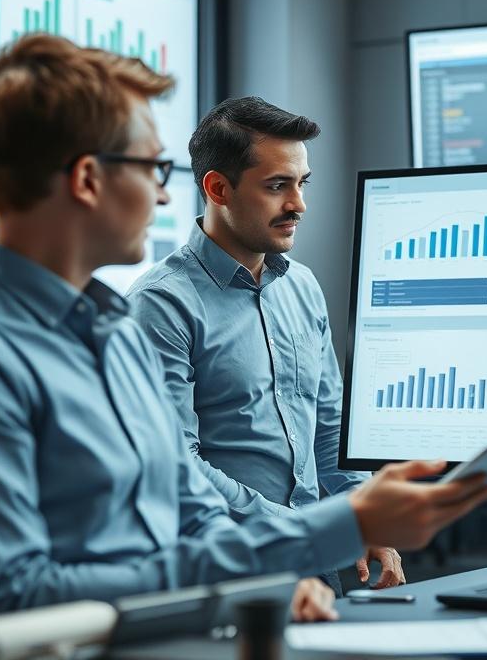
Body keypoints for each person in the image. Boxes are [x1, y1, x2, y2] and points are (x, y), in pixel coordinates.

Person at [0, 34, 487, 618]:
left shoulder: (111, 330)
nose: (162, 192)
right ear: (88, 179)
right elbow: (10, 595)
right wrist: (311, 542)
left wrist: (272, 574)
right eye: (152, 165)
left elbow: (191, 507)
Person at [127, 98, 400, 592]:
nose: (298, 204)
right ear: (218, 188)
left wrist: (363, 518)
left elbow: (328, 428)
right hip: (229, 577)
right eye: (278, 186)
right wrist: (312, 531)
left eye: (301, 183)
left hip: (317, 568)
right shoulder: (160, 306)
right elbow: (176, 467)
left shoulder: (302, 286)